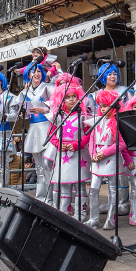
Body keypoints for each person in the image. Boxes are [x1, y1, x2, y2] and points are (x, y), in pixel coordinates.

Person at [85, 90, 133, 229]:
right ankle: (94, 219)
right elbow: (92, 140)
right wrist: (93, 153)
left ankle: (111, 220)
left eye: (106, 105)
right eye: (101, 106)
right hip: (97, 159)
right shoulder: (97, 121)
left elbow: (123, 143)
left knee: (113, 190)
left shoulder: (118, 123)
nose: (104, 109)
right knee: (93, 189)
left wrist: (105, 153)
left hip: (111, 158)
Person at [44, 76, 89, 219]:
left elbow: (88, 134)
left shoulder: (83, 116)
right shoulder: (58, 116)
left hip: (79, 154)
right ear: (61, 100)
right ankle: (65, 214)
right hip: (63, 155)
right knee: (64, 185)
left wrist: (76, 144)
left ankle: (80, 213)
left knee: (80, 185)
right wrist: (59, 144)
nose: (71, 100)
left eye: (74, 96)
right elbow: (51, 133)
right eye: (67, 97)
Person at [20, 63, 54, 203]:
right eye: (33, 71)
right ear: (28, 74)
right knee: (39, 167)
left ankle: (52, 197)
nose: (36, 73)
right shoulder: (24, 92)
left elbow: (58, 105)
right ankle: (41, 197)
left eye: (39, 71)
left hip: (46, 126)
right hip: (34, 128)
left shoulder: (49, 87)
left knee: (48, 164)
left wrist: (44, 110)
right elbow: (24, 111)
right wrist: (24, 115)